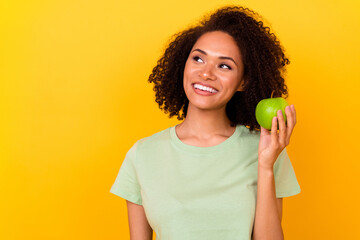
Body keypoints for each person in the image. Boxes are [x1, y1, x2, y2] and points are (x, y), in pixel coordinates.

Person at [110, 5, 300, 240]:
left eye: (224, 65)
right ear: (184, 64)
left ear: (243, 82)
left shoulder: (266, 149)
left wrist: (265, 166)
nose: (206, 73)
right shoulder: (143, 154)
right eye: (198, 58)